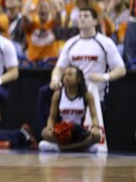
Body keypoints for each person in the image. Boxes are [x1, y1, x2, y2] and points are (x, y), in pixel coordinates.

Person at [34, 8, 126, 137]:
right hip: (70, 90)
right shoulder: (71, 43)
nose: (82, 18)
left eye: (86, 15)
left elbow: (121, 69)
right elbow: (59, 68)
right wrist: (55, 79)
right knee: (44, 92)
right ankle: (42, 136)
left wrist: (103, 77)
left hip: (93, 92)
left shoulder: (106, 43)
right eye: (80, 16)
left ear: (95, 21)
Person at [39, 65, 101, 152]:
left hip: (79, 133)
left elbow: (94, 115)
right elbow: (52, 117)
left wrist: (95, 127)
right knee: (45, 134)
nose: (66, 77)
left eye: (70, 75)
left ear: (78, 78)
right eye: (64, 75)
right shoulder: (58, 94)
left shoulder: (87, 95)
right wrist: (49, 127)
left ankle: (61, 148)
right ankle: (79, 148)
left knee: (97, 137)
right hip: (62, 132)